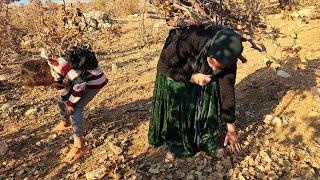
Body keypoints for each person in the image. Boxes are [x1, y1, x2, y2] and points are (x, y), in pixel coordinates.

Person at [148, 25, 243, 158]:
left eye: (219, 67)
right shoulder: (193, 39)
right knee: (178, 90)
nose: (215, 68)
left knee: (212, 87)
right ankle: (176, 142)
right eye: (212, 62)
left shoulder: (229, 59)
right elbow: (164, 66)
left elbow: (227, 91)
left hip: (200, 68)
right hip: (177, 66)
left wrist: (231, 128)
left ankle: (206, 139)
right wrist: (191, 77)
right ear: (210, 50)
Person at [21, 49, 107, 163]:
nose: (45, 85)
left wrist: (71, 104)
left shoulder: (60, 66)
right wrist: (67, 102)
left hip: (93, 81)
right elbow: (61, 87)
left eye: (43, 83)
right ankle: (68, 122)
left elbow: (80, 83)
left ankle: (80, 146)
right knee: (61, 101)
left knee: (75, 108)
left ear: (43, 71)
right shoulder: (50, 67)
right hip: (79, 81)